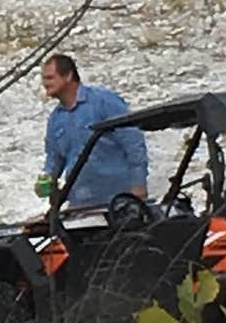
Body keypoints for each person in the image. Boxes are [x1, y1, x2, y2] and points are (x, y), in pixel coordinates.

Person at [39, 52, 148, 210]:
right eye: (44, 78)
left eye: (50, 78)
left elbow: (133, 143)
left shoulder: (104, 101)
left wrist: (139, 186)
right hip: (81, 204)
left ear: (68, 76)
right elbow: (54, 160)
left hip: (119, 201)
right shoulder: (55, 120)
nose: (45, 84)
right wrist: (47, 180)